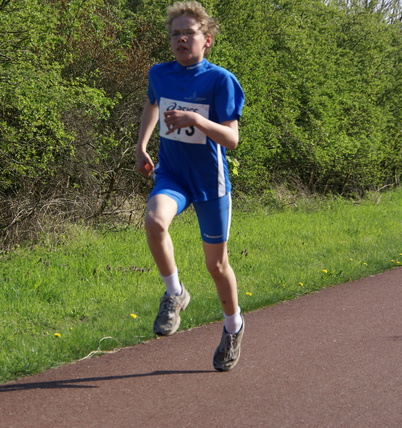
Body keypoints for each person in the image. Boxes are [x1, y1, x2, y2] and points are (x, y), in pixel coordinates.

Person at [135, 1, 245, 372]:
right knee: (154, 221)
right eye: (174, 34)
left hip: (210, 184)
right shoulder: (159, 73)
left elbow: (231, 139)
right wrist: (142, 145)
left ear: (207, 40)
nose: (181, 39)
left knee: (217, 266)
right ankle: (175, 293)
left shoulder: (220, 80)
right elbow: (153, 105)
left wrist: (195, 119)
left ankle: (233, 327)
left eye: (189, 33)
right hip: (173, 175)